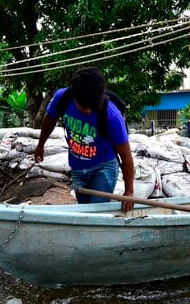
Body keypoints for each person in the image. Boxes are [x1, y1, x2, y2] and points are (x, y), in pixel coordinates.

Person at [33, 67, 135, 212]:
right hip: (77, 167)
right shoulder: (62, 98)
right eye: (83, 106)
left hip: (104, 166)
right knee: (84, 211)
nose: (87, 111)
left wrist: (129, 192)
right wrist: (40, 145)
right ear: (75, 95)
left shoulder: (112, 115)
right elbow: (50, 119)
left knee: (96, 214)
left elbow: (126, 157)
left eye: (91, 107)